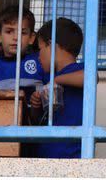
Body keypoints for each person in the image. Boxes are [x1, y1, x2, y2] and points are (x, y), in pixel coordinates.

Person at [0, 5, 84, 92]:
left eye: (22, 33)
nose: (15, 37)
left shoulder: (41, 61)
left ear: (32, 38)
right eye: (9, 31)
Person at [30, 17, 85, 158]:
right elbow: (41, 121)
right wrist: (36, 107)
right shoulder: (48, 79)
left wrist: (57, 80)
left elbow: (90, 78)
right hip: (46, 155)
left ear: (51, 45)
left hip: (72, 155)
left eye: (40, 49)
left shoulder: (79, 69)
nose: (38, 57)